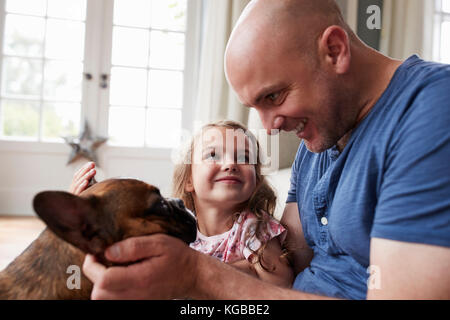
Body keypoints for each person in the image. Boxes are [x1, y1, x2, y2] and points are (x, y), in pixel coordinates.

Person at [81, 0, 450, 299]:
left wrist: (196, 276)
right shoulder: (319, 140)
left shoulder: (432, 108)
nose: (269, 128)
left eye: (273, 96)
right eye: (256, 107)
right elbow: (290, 253)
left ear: (334, 51)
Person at [70, 121, 293, 290]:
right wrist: (94, 201)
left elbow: (280, 281)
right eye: (213, 155)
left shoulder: (254, 226)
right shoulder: (175, 222)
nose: (230, 164)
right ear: (189, 180)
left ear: (256, 181)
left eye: (244, 157)